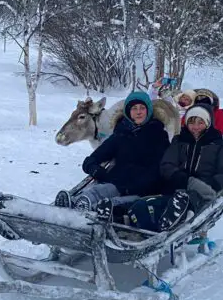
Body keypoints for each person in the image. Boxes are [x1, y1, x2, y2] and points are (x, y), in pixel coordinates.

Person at [55, 90, 169, 218]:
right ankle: (71, 205)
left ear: (148, 111)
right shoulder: (121, 134)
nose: (138, 112)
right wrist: (96, 170)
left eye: (142, 108)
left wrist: (134, 186)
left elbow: (160, 170)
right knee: (96, 191)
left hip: (142, 192)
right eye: (134, 108)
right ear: (128, 111)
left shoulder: (159, 137)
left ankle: (86, 211)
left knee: (109, 205)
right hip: (116, 184)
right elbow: (91, 160)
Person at [127, 103, 223, 232]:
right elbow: (167, 164)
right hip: (176, 186)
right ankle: (143, 226)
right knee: (146, 204)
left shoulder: (219, 144)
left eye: (200, 122)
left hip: (203, 190)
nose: (195, 127)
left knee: (186, 201)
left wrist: (209, 184)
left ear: (207, 123)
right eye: (191, 122)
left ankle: (175, 221)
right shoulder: (179, 140)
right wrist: (180, 177)